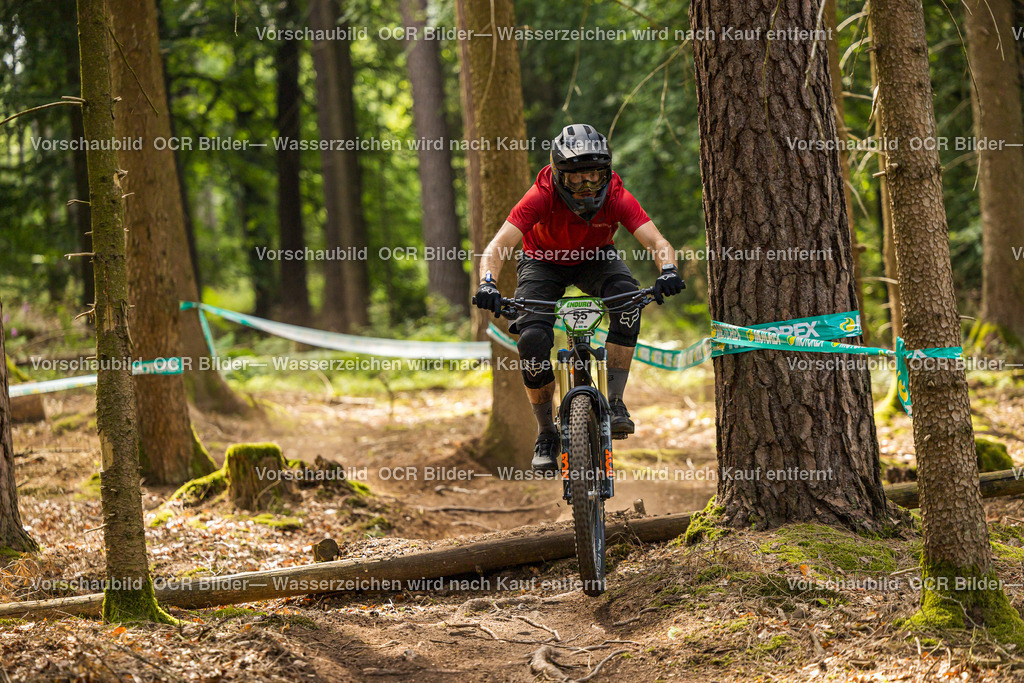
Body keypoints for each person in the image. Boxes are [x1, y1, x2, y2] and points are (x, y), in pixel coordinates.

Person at [473, 124, 685, 470]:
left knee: (628, 300)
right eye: (576, 179)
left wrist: (668, 271)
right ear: (559, 175)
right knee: (532, 338)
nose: (587, 187)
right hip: (542, 262)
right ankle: (546, 432)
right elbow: (499, 245)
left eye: (594, 176)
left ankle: (615, 402)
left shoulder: (616, 195)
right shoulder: (541, 195)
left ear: (607, 172)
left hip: (595, 257)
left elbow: (657, 243)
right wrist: (488, 283)